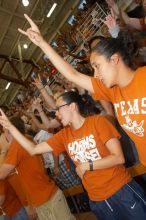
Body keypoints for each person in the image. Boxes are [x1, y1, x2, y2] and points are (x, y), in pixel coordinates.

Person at [17, 14, 146, 166]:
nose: (96, 75)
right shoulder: (111, 89)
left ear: (114, 60)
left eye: (97, 66)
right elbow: (72, 74)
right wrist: (41, 43)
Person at [0, 91, 146, 220]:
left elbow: (118, 157)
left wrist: (87, 165)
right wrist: (12, 128)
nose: (56, 113)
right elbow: (33, 149)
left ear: (72, 106)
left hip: (121, 190)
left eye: (58, 109)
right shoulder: (63, 135)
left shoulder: (98, 122)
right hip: (97, 201)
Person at [0, 116, 75, 220]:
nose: (4, 136)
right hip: (43, 197)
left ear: (10, 131)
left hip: (46, 198)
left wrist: (3, 150)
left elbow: (1, 174)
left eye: (4, 132)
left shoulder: (16, 145)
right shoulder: (27, 138)